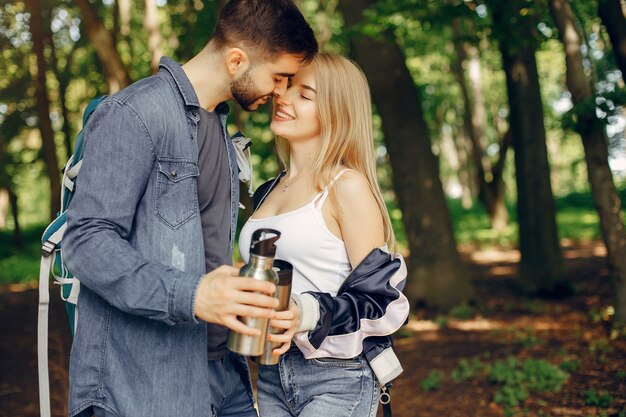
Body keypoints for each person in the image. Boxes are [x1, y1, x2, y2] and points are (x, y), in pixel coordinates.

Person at [62, 1, 317, 416]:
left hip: (225, 375)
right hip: (144, 386)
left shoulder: (218, 128)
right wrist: (193, 294)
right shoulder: (134, 114)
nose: (281, 91)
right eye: (279, 77)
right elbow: (86, 241)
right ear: (237, 60)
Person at [238, 53, 410, 417]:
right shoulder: (268, 190)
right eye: (286, 88)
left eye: (305, 94)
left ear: (336, 111)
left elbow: (380, 299)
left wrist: (305, 311)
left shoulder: (346, 186)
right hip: (270, 371)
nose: (283, 98)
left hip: (337, 377)